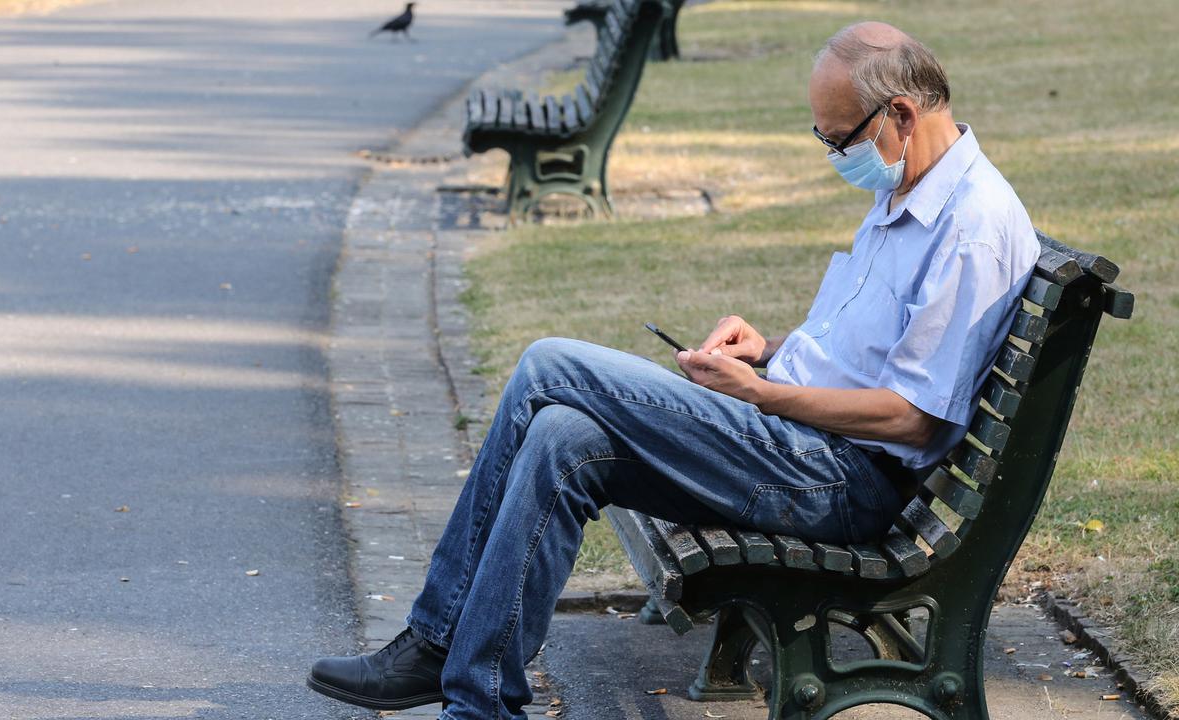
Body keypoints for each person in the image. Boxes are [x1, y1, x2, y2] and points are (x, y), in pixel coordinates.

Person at [307, 20, 1039, 720]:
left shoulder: (971, 226)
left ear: (902, 114)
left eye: (837, 137)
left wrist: (766, 396)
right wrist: (770, 349)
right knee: (562, 438)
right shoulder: (906, 184)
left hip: (838, 480)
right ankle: (480, 702)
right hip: (795, 442)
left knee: (546, 367)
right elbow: (868, 350)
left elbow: (915, 417)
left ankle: (434, 641)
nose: (831, 153)